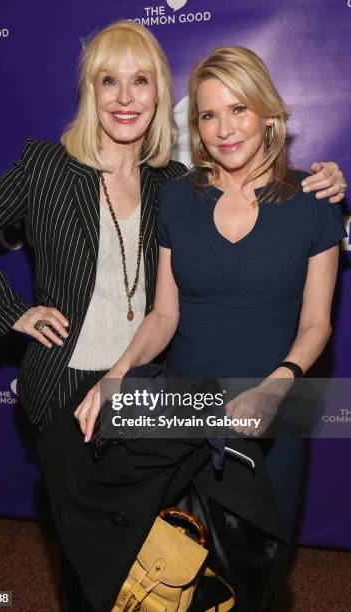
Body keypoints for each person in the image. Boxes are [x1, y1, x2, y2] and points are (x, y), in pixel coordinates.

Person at [0, 20, 347, 612]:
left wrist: (332, 179)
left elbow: (290, 298)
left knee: (180, 566)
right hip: (82, 387)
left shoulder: (171, 182)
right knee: (102, 563)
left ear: (160, 92)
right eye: (109, 81)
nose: (125, 97)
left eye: (140, 81)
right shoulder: (52, 169)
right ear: (91, 90)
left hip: (154, 391)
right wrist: (15, 313)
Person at [76, 46, 347, 610]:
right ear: (194, 126)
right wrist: (118, 374)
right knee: (177, 575)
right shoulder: (179, 197)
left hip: (277, 404)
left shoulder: (313, 201)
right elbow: (164, 314)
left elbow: (318, 324)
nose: (224, 129)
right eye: (207, 114)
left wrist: (278, 385)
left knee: (254, 572)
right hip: (188, 407)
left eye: (238, 109)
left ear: (269, 115)